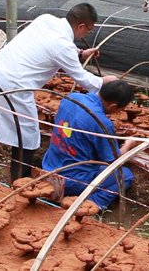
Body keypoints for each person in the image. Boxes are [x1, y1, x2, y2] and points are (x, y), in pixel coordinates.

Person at [0, 3, 117, 180]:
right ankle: (19, 183)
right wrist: (106, 81)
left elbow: (50, 45)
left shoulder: (46, 20)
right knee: (27, 135)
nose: (86, 34)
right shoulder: (63, 46)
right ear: (81, 26)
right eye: (88, 30)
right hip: (14, 84)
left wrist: (81, 53)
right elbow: (84, 80)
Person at [42, 80, 137, 209]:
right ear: (113, 105)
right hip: (72, 181)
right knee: (125, 175)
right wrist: (128, 144)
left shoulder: (71, 98)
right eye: (121, 109)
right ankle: (88, 205)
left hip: (48, 169)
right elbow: (113, 161)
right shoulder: (101, 122)